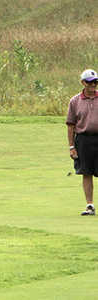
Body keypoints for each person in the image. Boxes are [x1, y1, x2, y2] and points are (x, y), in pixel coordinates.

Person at [66, 69, 98, 215]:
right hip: (83, 140)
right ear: (83, 83)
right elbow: (71, 125)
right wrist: (72, 146)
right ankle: (90, 205)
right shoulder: (75, 101)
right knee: (86, 172)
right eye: (90, 82)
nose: (93, 85)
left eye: (96, 82)